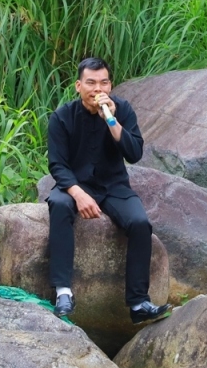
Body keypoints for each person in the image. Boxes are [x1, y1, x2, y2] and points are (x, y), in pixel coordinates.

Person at [46, 57, 171, 324]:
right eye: (90, 83)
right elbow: (57, 164)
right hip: (73, 185)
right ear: (78, 86)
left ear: (110, 85)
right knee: (58, 205)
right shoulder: (62, 117)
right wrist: (77, 193)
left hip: (113, 185)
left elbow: (134, 153)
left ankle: (138, 303)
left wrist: (111, 120)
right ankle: (63, 291)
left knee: (139, 223)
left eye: (103, 82)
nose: (97, 88)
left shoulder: (122, 110)